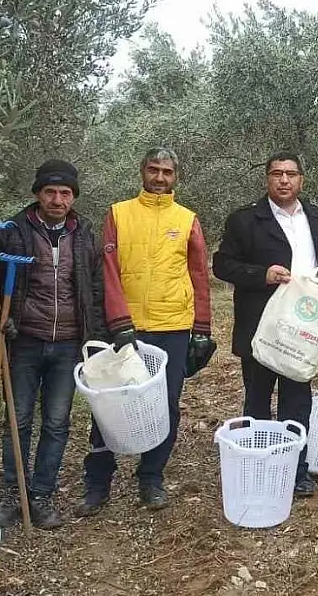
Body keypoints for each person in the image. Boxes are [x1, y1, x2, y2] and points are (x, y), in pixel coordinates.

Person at [77, 148, 215, 515]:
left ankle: (151, 477)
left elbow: (200, 275)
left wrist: (201, 329)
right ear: (142, 172)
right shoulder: (119, 213)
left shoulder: (187, 219)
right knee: (110, 404)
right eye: (153, 170)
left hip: (173, 326)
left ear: (175, 177)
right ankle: (97, 482)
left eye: (166, 171)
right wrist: (119, 322)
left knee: (165, 404)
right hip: (127, 327)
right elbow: (107, 269)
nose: (159, 177)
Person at [0, 160, 106, 529]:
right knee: (17, 420)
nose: (57, 199)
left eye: (65, 193)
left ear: (73, 197)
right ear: (37, 194)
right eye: (50, 192)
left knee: (56, 423)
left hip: (68, 343)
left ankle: (40, 495)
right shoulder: (12, 232)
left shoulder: (84, 233)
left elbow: (95, 289)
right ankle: (11, 493)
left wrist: (97, 339)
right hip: (23, 341)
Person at [213, 151, 318, 497]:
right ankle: (259, 467)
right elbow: (222, 265)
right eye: (277, 174)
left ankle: (296, 471)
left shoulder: (317, 219)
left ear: (302, 179)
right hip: (262, 329)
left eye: (291, 174)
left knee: (298, 400)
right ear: (267, 178)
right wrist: (261, 275)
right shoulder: (246, 220)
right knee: (257, 399)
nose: (284, 180)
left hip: (303, 328)